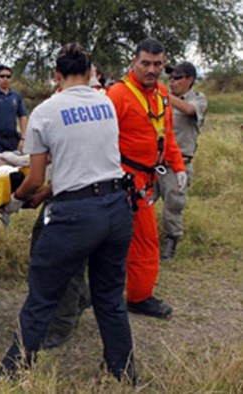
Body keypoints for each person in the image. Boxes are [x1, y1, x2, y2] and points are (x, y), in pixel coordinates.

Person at [0, 43, 135, 383]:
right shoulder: (105, 102)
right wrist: (42, 191)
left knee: (42, 297)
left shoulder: (46, 110)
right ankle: (123, 372)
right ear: (90, 74)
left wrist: (16, 199)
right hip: (117, 207)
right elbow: (83, 168)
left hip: (75, 214)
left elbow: (35, 177)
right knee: (110, 297)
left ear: (56, 76)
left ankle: (11, 372)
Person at [107, 38, 187, 318]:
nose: (151, 69)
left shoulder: (162, 94)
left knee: (133, 240)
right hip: (123, 180)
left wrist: (178, 166)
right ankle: (137, 297)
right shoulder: (117, 95)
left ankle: (133, 293)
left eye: (157, 64)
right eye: (146, 63)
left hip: (146, 178)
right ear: (134, 62)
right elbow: (101, 140)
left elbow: (167, 135)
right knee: (140, 240)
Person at [158, 61, 208, 261]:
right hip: (154, 164)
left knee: (173, 206)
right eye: (170, 78)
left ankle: (171, 242)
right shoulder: (161, 100)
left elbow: (189, 110)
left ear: (190, 79)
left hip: (177, 165)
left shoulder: (198, 99)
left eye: (177, 78)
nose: (172, 82)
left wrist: (164, 96)